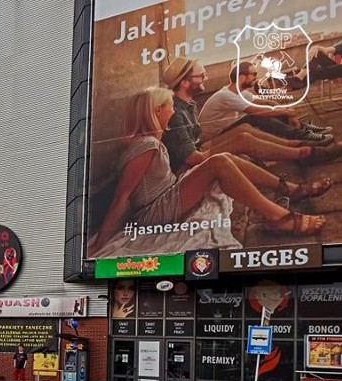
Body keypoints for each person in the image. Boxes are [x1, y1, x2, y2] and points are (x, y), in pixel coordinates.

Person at [90, 87, 330, 256]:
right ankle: (278, 217)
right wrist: (99, 244)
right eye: (170, 107)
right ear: (157, 111)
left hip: (166, 193)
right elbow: (121, 198)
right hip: (152, 213)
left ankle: (291, 189)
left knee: (224, 158)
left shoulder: (149, 142)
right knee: (219, 163)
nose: (173, 112)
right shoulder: (146, 145)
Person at [160, 57, 340, 176]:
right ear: (185, 82)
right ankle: (305, 152)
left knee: (245, 128)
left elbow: (194, 140)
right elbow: (191, 158)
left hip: (200, 146)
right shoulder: (175, 112)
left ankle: (304, 145)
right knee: (246, 130)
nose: (206, 78)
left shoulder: (188, 104)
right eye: (201, 76)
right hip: (188, 165)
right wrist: (228, 149)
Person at [198, 61, 332, 145]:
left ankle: (303, 130)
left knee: (268, 111)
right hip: (213, 140)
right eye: (253, 74)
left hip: (226, 130)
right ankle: (301, 136)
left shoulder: (239, 92)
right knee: (255, 117)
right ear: (242, 77)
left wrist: (284, 110)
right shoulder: (225, 95)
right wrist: (287, 112)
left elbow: (268, 103)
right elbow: (257, 111)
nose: (256, 78)